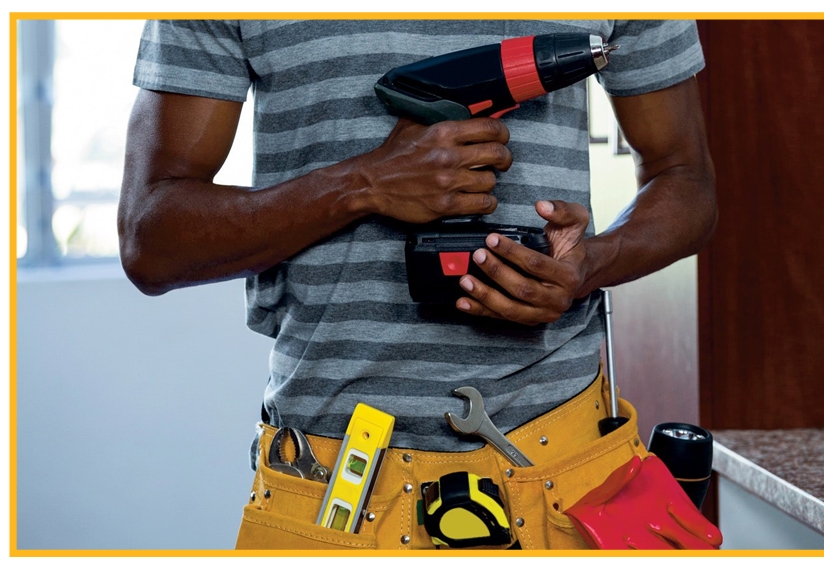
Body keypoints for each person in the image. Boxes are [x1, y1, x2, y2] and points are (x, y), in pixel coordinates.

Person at [119, 19, 716, 550]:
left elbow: (688, 181)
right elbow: (152, 238)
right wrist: (364, 184)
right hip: (331, 488)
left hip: (570, 475)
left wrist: (591, 264)